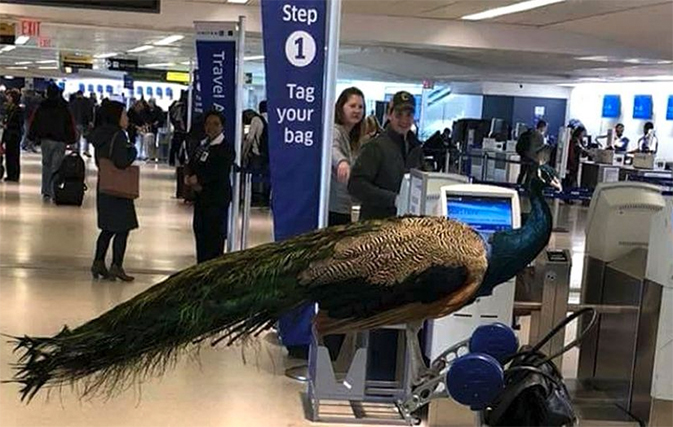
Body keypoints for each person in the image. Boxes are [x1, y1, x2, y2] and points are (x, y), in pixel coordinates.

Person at [348, 91, 425, 221]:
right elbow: (356, 185)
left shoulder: (416, 149)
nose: (404, 120)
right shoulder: (375, 147)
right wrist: (393, 199)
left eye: (409, 115)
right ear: (390, 114)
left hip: (406, 226)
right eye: (399, 114)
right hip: (375, 226)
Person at [89, 100, 138, 282]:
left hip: (105, 186)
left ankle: (98, 261)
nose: (126, 118)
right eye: (124, 114)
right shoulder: (118, 136)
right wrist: (132, 150)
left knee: (108, 228)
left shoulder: (100, 135)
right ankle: (117, 265)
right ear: (116, 117)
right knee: (123, 228)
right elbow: (121, 161)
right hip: (119, 189)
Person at [185, 110, 235, 263]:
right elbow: (193, 163)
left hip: (216, 200)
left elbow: (218, 171)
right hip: (201, 200)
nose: (211, 128)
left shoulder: (225, 148)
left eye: (215, 124)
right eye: (208, 124)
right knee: (201, 235)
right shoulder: (203, 145)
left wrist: (199, 180)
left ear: (222, 127)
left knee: (213, 239)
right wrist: (189, 177)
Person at [28, 83, 77, 200]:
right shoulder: (64, 107)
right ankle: (55, 190)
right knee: (57, 166)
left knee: (46, 165)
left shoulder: (42, 106)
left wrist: (32, 136)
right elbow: (70, 123)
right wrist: (72, 139)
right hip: (60, 140)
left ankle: (46, 191)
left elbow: (35, 121)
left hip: (46, 140)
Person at [329, 87, 365, 226]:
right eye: (352, 106)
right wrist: (341, 162)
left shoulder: (353, 137)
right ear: (340, 107)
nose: (357, 110)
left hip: (344, 205)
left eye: (360, 107)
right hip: (333, 206)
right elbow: (332, 148)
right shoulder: (335, 130)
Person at [517, 120, 551, 186]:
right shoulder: (540, 136)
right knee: (530, 176)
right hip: (533, 159)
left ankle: (518, 186)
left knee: (522, 173)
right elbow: (539, 149)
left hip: (524, 156)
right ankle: (526, 189)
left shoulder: (529, 132)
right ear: (542, 127)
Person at [2, 89, 24, 182]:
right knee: (9, 155)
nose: (8, 98)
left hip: (14, 135)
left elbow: (19, 123)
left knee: (14, 155)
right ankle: (10, 174)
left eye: (10, 97)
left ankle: (14, 174)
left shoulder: (18, 109)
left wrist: (8, 125)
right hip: (9, 134)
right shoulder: (10, 108)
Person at [70, 91, 94, 157]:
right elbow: (89, 112)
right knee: (86, 137)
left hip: (76, 122)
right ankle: (86, 150)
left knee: (77, 138)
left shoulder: (73, 103)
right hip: (84, 122)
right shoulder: (86, 102)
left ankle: (77, 150)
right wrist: (90, 121)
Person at [168, 91, 188, 166]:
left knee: (176, 146)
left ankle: (173, 160)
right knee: (181, 146)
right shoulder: (183, 106)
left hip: (178, 129)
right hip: (182, 129)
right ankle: (180, 160)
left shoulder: (176, 105)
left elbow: (174, 118)